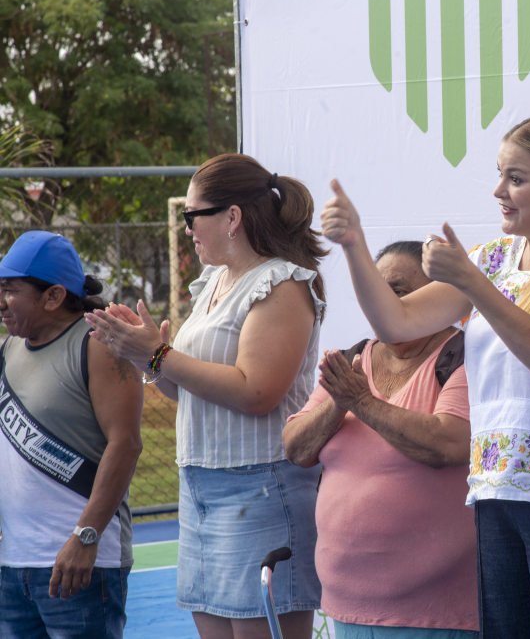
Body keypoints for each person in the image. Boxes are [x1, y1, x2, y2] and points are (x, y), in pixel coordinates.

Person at [321, 114, 530, 638]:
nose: (498, 191)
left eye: (516, 178)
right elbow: (395, 322)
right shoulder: (492, 260)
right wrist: (355, 245)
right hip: (498, 485)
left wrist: (473, 284)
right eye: (499, 175)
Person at [86, 154, 327, 639]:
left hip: (261, 487)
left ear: (232, 217)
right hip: (200, 488)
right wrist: (142, 354)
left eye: (192, 215)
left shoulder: (281, 283)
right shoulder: (216, 281)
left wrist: (158, 354)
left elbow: (256, 392)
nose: (187, 228)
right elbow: (187, 388)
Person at [282, 240, 478, 639]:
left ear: (438, 299)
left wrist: (361, 402)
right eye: (377, 290)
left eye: (399, 291)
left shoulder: (462, 355)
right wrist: (339, 404)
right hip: (347, 607)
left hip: (433, 614)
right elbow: (296, 448)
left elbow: (447, 444)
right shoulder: (352, 359)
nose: (384, 303)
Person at [0, 231, 143, 639]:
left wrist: (86, 536)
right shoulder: (9, 348)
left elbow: (126, 444)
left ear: (54, 296)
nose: (0, 301)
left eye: (10, 290)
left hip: (80, 566)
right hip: (13, 564)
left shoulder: (100, 344)